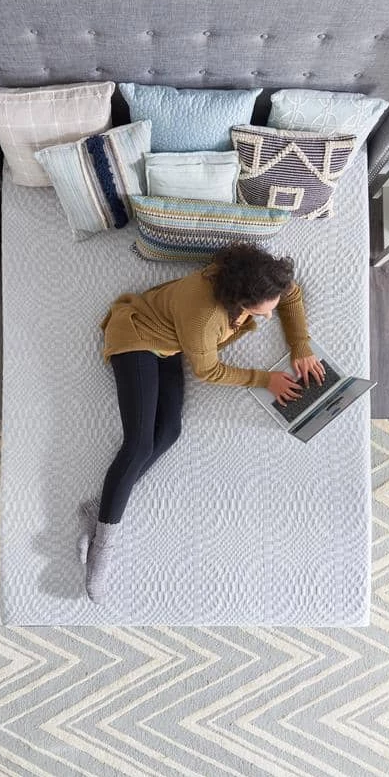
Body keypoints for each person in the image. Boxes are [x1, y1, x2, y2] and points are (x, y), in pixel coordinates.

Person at [82, 242, 326, 603]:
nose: (270, 315)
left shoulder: (263, 277)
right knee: (139, 443)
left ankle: (98, 507)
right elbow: (208, 370)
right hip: (138, 336)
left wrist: (300, 345)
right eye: (264, 311)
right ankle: (103, 547)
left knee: (169, 432)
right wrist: (264, 379)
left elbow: (290, 294)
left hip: (172, 340)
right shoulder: (205, 318)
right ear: (241, 300)